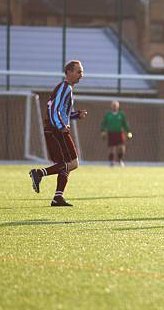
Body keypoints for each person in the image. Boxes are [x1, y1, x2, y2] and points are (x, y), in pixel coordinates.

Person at [29, 60, 88, 206]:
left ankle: (58, 197)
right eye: (78, 71)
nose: (82, 74)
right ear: (69, 72)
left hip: (54, 127)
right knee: (73, 163)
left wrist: (75, 115)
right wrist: (61, 126)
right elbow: (53, 109)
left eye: (82, 71)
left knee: (65, 163)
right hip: (57, 129)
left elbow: (60, 110)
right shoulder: (65, 87)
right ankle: (39, 173)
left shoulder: (66, 88)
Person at [100, 101, 132, 167]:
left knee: (122, 147)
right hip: (111, 133)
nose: (114, 106)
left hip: (119, 133)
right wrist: (103, 131)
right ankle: (111, 162)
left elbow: (125, 124)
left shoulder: (121, 114)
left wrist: (128, 131)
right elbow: (104, 124)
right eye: (113, 105)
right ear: (111, 106)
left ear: (118, 106)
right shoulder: (108, 115)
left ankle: (120, 160)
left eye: (116, 105)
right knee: (111, 148)